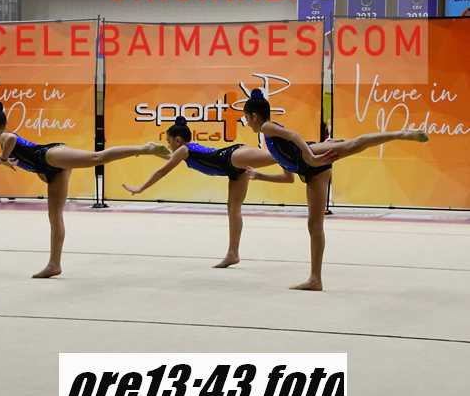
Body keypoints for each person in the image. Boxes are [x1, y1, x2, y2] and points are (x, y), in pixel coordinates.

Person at [243, 89, 429, 291]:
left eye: (246, 118)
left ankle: (401, 134)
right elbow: (288, 178)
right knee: (314, 225)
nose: (247, 122)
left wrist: (312, 156)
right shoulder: (270, 139)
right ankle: (315, 279)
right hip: (313, 171)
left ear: (254, 116)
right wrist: (260, 176)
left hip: (313, 158)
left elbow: (294, 136)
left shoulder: (267, 127)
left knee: (354, 144)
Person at [0, 100, 169, 278]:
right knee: (55, 217)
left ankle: (145, 149)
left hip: (48, 155)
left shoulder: (5, 137)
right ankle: (54, 264)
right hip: (50, 171)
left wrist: (4, 158)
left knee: (96, 157)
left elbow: (11, 140)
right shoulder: (2, 145)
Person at [122, 115, 311, 269]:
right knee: (233, 209)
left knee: (277, 155)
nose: (169, 145)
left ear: (178, 140)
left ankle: (314, 147)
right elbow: (169, 157)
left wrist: (140, 188)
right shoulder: (184, 151)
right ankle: (232, 254)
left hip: (233, 156)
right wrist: (152, 150)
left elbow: (162, 171)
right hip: (232, 169)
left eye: (169, 141)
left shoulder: (184, 150)